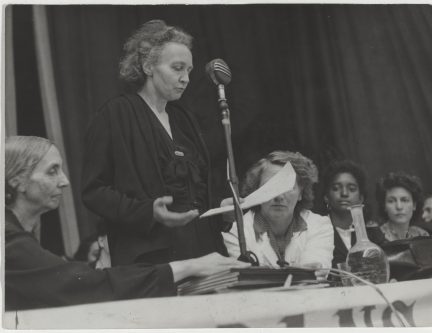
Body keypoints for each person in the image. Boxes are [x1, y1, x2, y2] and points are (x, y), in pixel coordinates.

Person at [5, 136, 249, 311]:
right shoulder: (7, 239)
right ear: (17, 180)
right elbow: (80, 285)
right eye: (52, 171)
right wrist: (188, 267)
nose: (65, 181)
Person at [82, 20, 228, 266]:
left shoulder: (184, 119)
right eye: (177, 68)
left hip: (202, 248)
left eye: (189, 71)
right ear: (148, 66)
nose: (186, 79)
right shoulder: (115, 115)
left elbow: (195, 190)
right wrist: (147, 212)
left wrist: (220, 209)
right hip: (151, 256)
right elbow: (94, 191)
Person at [222, 151, 334, 275]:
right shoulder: (237, 230)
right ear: (256, 190)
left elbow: (315, 274)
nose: (279, 196)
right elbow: (244, 278)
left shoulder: (319, 225)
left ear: (301, 193)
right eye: (270, 186)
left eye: (288, 186)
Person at [321, 160, 385, 268]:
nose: (344, 193)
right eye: (336, 188)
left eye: (351, 189)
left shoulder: (372, 232)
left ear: (361, 198)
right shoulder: (318, 230)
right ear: (326, 197)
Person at [375, 171, 429, 241]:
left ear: (414, 205)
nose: (399, 207)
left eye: (405, 200)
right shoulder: (377, 237)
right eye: (391, 201)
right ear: (384, 206)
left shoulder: (422, 235)